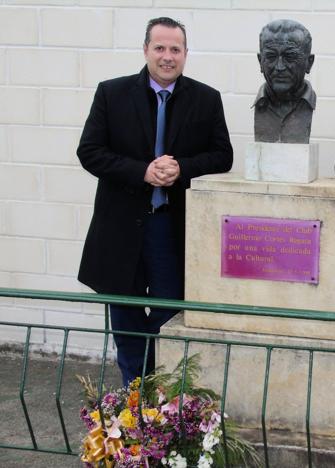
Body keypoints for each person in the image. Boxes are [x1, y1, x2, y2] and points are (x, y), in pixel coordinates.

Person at [77, 17, 233, 385]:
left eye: (175, 49)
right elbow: (90, 152)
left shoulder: (206, 99)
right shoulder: (111, 93)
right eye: (159, 48)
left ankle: (162, 390)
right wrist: (142, 171)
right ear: (145, 50)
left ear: (185, 54)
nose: (167, 57)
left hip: (171, 226)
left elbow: (222, 155)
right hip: (121, 228)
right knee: (126, 314)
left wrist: (181, 168)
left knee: (168, 310)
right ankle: (137, 392)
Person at [253, 19, 316, 144]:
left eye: (290, 57)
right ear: (260, 61)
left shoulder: (307, 106)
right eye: (271, 57)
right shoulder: (260, 105)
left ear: (309, 63)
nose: (279, 67)